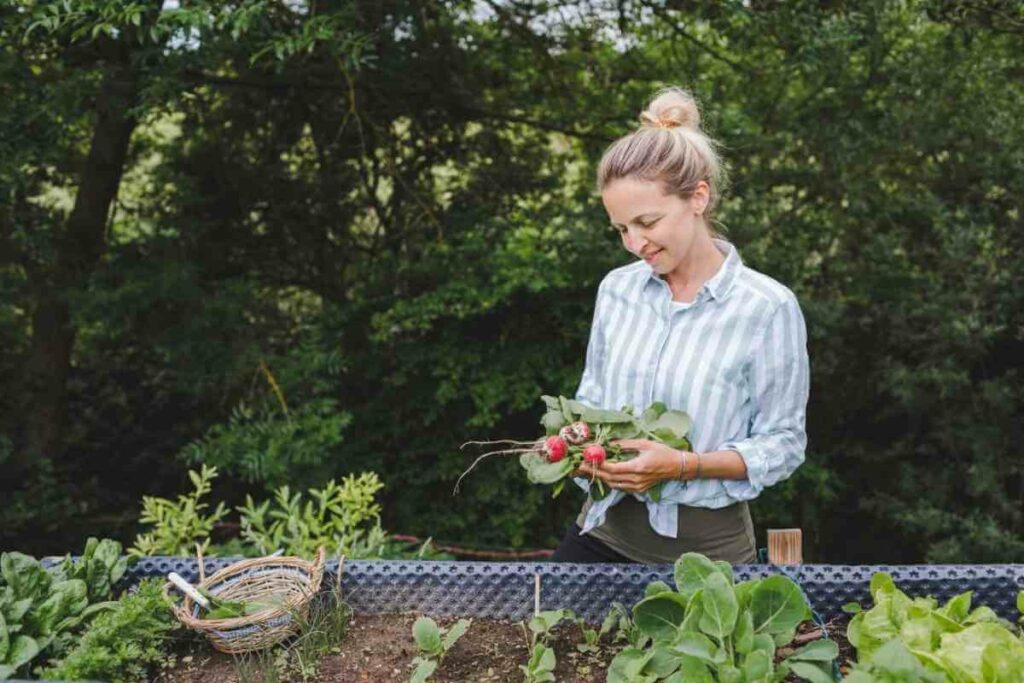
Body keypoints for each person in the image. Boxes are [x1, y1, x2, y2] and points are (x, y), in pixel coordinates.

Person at [551, 86, 810, 565]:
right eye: (621, 229)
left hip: (707, 557)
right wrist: (572, 444)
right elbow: (590, 400)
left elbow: (783, 445)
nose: (635, 244)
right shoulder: (617, 290)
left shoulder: (766, 308)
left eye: (647, 222)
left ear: (698, 198)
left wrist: (684, 465)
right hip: (600, 537)